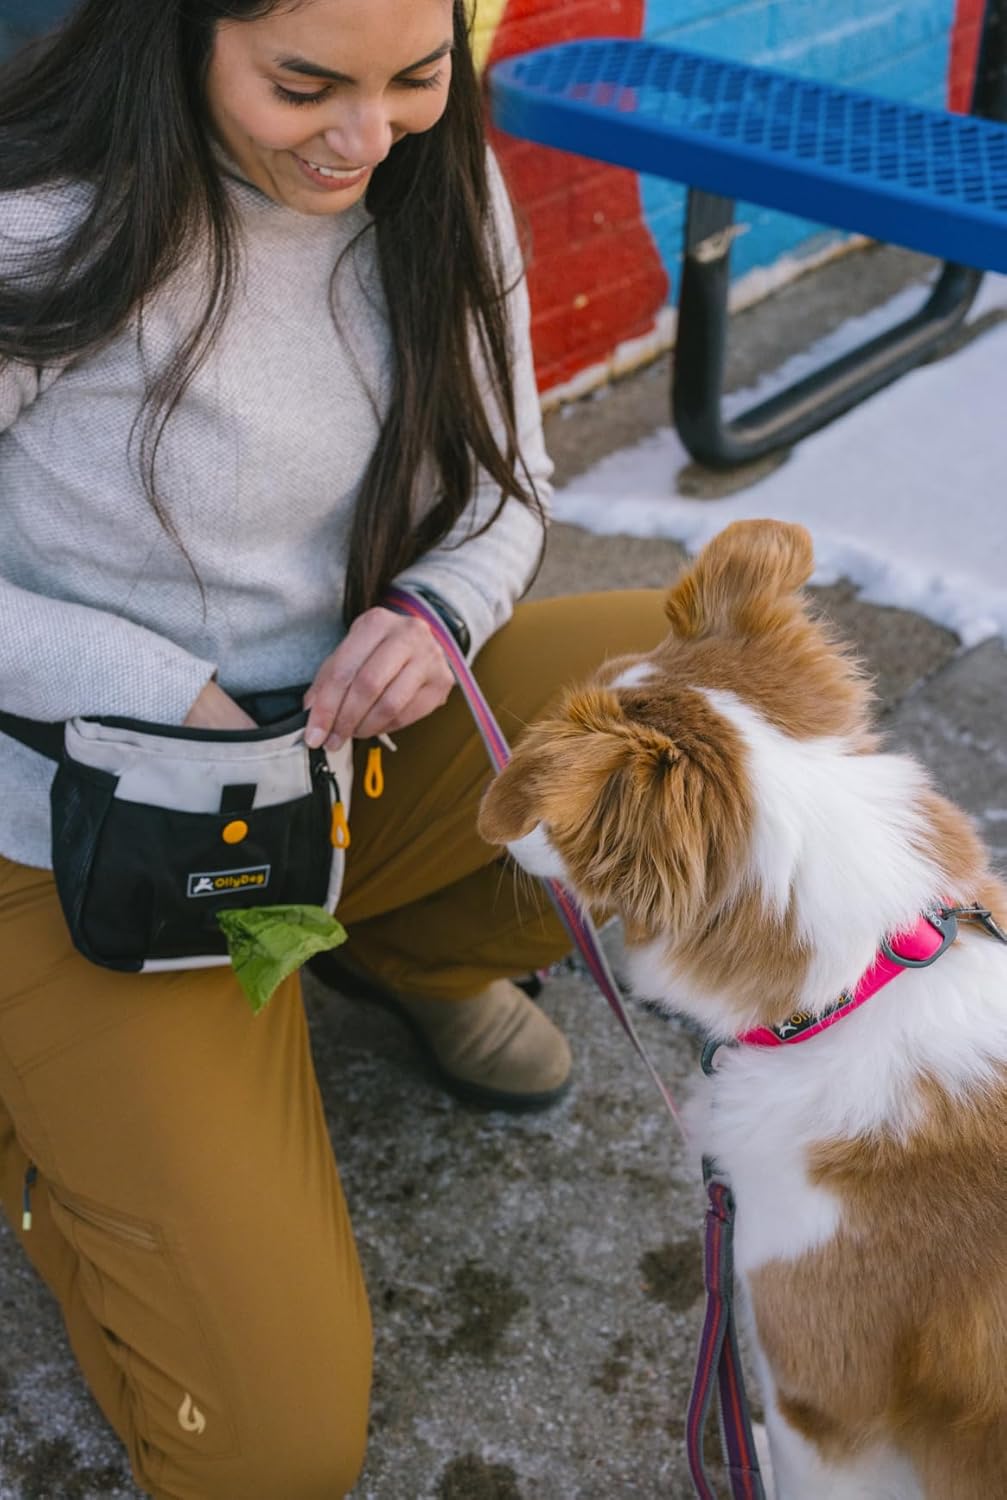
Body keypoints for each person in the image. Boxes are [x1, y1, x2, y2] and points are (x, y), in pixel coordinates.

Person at [0, 1, 668, 1494]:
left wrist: (435, 613)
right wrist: (146, 683)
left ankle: (402, 946)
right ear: (178, 37)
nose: (366, 138)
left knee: (695, 716)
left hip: (346, 767)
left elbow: (511, 482)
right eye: (305, 86)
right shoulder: (44, 222)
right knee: (272, 1455)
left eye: (415, 79)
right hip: (87, 820)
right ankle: (46, 1124)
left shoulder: (436, 177)